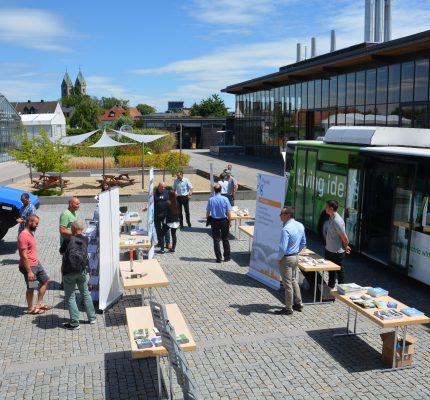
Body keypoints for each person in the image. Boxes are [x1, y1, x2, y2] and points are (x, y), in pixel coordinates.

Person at [59, 220, 96, 330]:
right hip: (81, 270)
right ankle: (92, 318)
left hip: (68, 272)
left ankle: (75, 323)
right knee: (85, 293)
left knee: (70, 296)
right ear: (83, 229)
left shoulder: (67, 240)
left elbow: (61, 252)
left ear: (73, 229)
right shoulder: (85, 239)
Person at [275, 207, 306, 315]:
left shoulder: (286, 229)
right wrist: (296, 251)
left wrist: (278, 258)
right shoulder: (300, 225)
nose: (280, 215)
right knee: (293, 281)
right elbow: (303, 243)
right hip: (295, 257)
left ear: (288, 215)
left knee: (287, 283)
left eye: (281, 214)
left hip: (287, 258)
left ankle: (288, 308)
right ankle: (299, 303)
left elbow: (283, 248)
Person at [18, 215, 51, 315]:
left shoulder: (30, 233)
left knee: (45, 280)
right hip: (29, 266)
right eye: (36, 224)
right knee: (32, 287)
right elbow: (23, 256)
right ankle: (30, 308)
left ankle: (39, 304)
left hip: (36, 263)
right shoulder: (23, 236)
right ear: (29, 222)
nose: (37, 226)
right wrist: (29, 271)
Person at [324, 200, 351, 289]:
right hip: (329, 250)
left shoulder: (337, 220)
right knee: (331, 269)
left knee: (339, 270)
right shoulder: (331, 217)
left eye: (326, 207)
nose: (325, 208)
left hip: (336, 252)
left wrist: (345, 246)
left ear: (331, 208)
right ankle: (331, 286)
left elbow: (344, 237)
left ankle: (341, 289)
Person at [206, 184, 232, 263]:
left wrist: (208, 220)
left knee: (216, 240)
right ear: (221, 190)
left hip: (214, 221)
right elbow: (228, 212)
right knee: (225, 239)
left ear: (214, 190)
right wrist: (230, 221)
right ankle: (227, 257)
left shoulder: (211, 199)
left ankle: (218, 258)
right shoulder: (225, 199)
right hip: (224, 220)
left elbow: (207, 212)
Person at [59, 196, 81, 289]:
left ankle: (70, 280)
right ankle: (63, 282)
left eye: (79, 203)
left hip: (73, 241)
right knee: (66, 262)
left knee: (72, 261)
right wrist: (75, 233)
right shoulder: (65, 214)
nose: (79, 205)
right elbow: (62, 230)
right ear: (70, 204)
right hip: (66, 243)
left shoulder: (74, 213)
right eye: (77, 204)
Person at [154, 182, 171, 249]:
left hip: (165, 214)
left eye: (164, 187)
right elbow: (150, 201)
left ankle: (168, 243)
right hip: (157, 215)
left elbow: (170, 200)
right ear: (158, 186)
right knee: (158, 229)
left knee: (166, 229)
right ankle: (160, 242)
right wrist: (147, 207)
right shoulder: (154, 193)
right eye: (162, 187)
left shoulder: (166, 192)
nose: (163, 188)